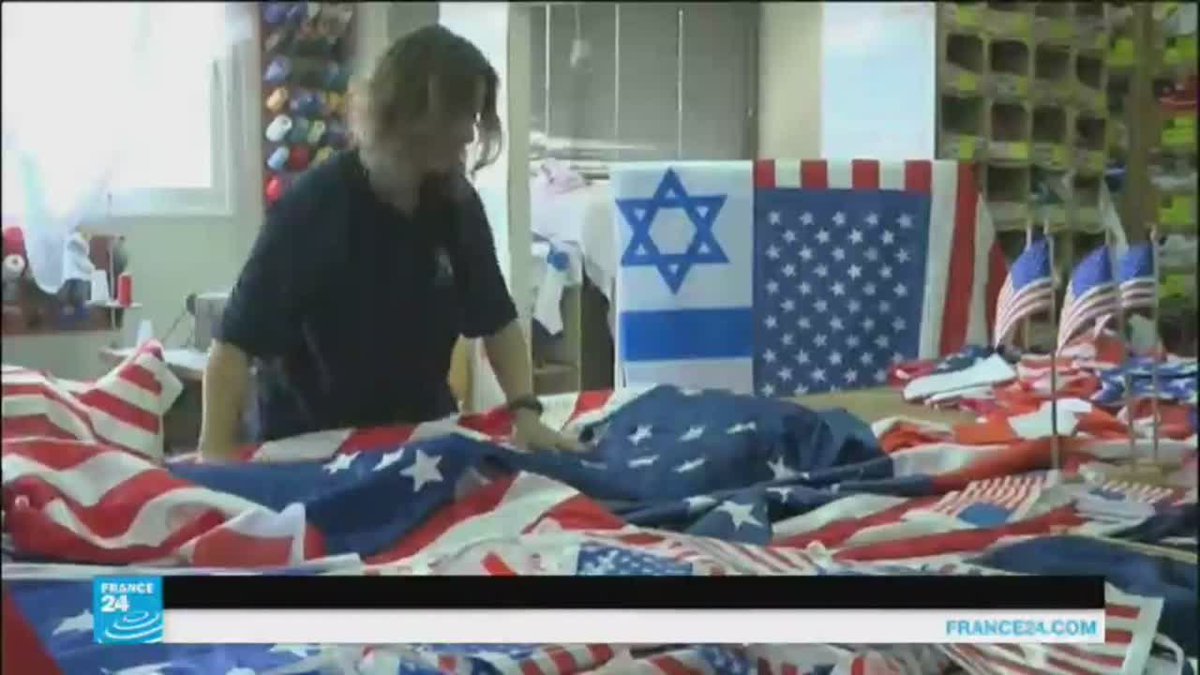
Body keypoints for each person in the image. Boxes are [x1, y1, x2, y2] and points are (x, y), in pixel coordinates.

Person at [198, 25, 582, 462]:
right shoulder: (313, 208)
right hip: (314, 446)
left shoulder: (454, 204)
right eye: (461, 115)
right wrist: (214, 453)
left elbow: (497, 319)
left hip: (419, 437)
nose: (469, 135)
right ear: (414, 111)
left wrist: (526, 413)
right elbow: (234, 344)